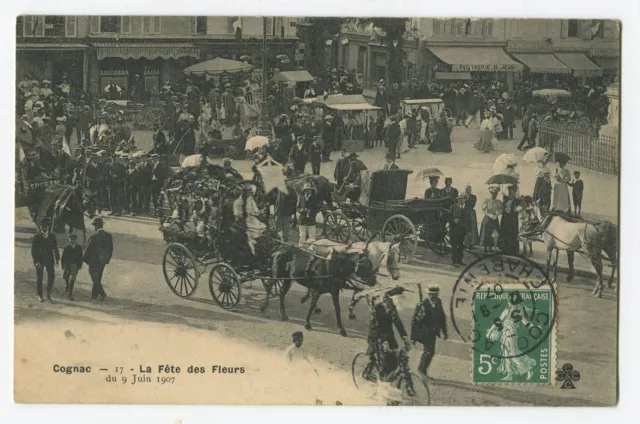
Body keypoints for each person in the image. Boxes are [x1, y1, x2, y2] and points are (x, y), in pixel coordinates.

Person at [486, 292, 537, 381]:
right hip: (504, 335)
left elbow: (525, 323)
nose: (508, 303)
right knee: (506, 355)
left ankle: (528, 369)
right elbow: (498, 321)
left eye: (509, 301)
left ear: (513, 303)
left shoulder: (518, 313)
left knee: (513, 354)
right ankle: (509, 375)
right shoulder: (507, 311)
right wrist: (490, 331)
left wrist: (533, 327)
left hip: (511, 335)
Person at [367, 290, 411, 381]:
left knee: (396, 357)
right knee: (384, 360)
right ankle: (381, 380)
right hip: (376, 337)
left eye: (393, 302)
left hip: (389, 337)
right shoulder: (377, 308)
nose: (392, 305)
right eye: (390, 302)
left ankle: (388, 377)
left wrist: (405, 338)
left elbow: (398, 323)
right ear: (385, 300)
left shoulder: (392, 309)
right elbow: (374, 327)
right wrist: (382, 341)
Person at [411, 285, 448, 378]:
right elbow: (415, 321)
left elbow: (442, 317)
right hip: (424, 332)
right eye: (431, 295)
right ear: (428, 294)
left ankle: (422, 369)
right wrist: (413, 337)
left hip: (433, 332)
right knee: (429, 351)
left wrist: (444, 331)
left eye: (435, 294)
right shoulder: (421, 305)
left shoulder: (439, 302)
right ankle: (422, 370)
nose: (434, 297)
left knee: (430, 352)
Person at [83, 217, 113, 301]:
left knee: (95, 278)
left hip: (94, 261)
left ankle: (95, 296)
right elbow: (111, 249)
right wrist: (107, 259)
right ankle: (101, 294)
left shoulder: (94, 237)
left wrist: (85, 260)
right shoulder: (108, 236)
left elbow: (88, 250)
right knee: (98, 277)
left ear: (96, 226)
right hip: (103, 261)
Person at [31, 217, 60, 302]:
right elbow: (33, 250)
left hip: (49, 259)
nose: (44, 227)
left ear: (48, 226)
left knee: (51, 276)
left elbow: (55, 248)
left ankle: (48, 294)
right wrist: (36, 261)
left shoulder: (52, 236)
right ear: (40, 227)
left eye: (46, 226)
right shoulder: (37, 237)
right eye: (42, 226)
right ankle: (39, 295)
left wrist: (57, 259)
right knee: (40, 277)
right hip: (39, 260)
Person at [479, 185, 503, 254]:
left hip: (495, 219)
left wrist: (497, 214)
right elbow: (483, 210)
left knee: (493, 234)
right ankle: (485, 248)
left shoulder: (498, 202)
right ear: (490, 193)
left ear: (496, 194)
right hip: (487, 219)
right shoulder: (487, 200)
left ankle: (490, 247)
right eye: (492, 193)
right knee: (486, 233)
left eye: (495, 193)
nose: (493, 195)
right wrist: (489, 215)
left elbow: (501, 210)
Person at [449, 194, 470, 267]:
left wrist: (468, 231)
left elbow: (468, 220)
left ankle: (459, 260)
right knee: (454, 246)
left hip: (462, 230)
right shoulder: (453, 207)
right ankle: (454, 262)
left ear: (465, 199)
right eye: (458, 199)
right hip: (454, 230)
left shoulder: (467, 208)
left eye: (461, 199)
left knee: (461, 246)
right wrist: (453, 220)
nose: (460, 200)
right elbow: (449, 217)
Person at [60, 233, 83, 301]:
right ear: (69, 240)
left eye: (74, 239)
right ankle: (67, 285)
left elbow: (80, 256)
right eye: (71, 239)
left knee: (72, 278)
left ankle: (70, 293)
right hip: (67, 265)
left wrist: (80, 265)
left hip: (75, 265)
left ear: (76, 240)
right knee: (66, 276)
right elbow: (63, 257)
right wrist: (63, 265)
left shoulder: (79, 247)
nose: (72, 241)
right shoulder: (67, 247)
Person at [297, 183, 320, 248]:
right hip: (302, 219)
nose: (308, 191)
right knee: (302, 235)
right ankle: (301, 248)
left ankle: (311, 249)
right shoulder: (301, 198)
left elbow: (317, 209)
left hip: (311, 219)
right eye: (306, 190)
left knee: (312, 236)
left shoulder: (314, 198)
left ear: (311, 190)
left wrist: (310, 211)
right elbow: (298, 207)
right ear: (304, 191)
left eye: (309, 190)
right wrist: (300, 210)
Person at [498, 185, 520, 254]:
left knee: (513, 233)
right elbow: (502, 207)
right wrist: (505, 208)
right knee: (505, 233)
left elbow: (518, 209)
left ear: (515, 192)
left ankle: (513, 249)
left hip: (513, 219)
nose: (511, 193)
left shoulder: (517, 200)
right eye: (510, 191)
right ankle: (505, 248)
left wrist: (513, 209)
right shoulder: (506, 199)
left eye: (512, 191)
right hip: (506, 219)